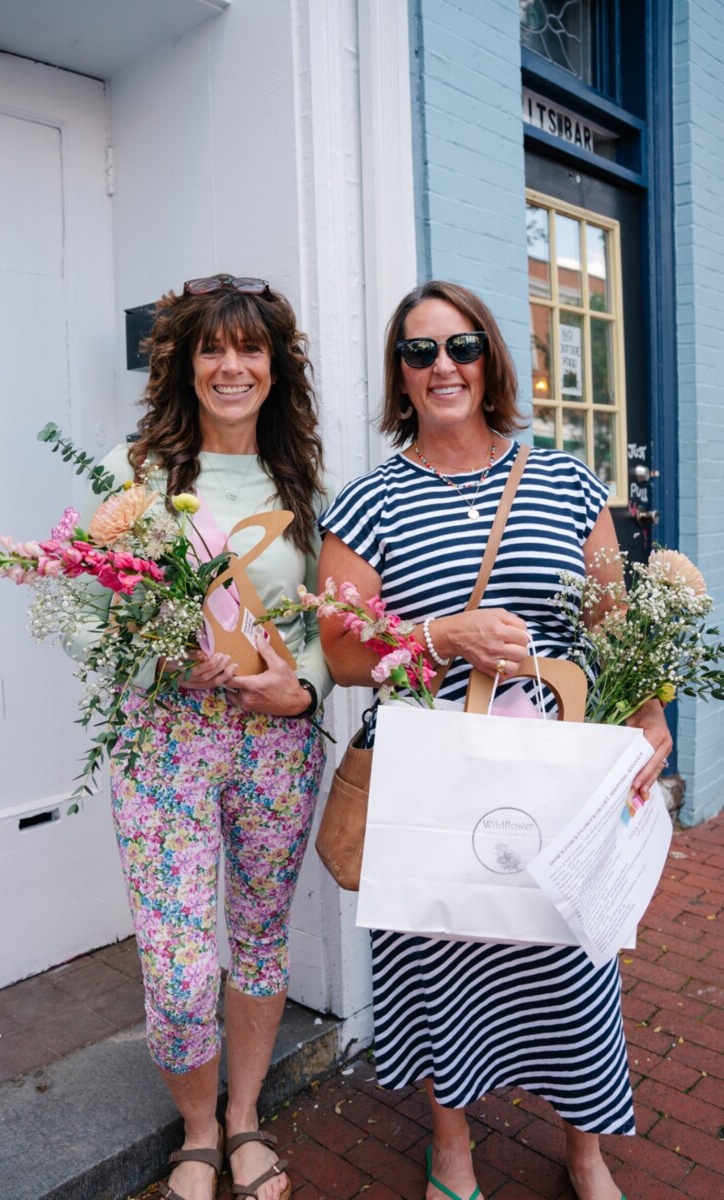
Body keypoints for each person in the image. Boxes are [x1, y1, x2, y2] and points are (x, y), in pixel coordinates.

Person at [317, 280, 671, 1200]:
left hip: (552, 774)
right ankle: (454, 1148)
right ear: (400, 374)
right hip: (433, 775)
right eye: (421, 351)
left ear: (490, 361)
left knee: (572, 953)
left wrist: (649, 717)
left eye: (462, 347)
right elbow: (345, 654)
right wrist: (444, 634)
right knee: (441, 951)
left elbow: (613, 625)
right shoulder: (369, 503)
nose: (444, 367)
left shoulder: (565, 481)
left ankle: (586, 1151)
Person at [66, 274, 331, 1200]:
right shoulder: (127, 475)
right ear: (181, 363)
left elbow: (329, 628)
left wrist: (302, 692)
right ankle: (197, 1128)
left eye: (250, 348)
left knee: (258, 940)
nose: (231, 366)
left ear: (273, 366)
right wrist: (161, 665)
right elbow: (89, 615)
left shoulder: (304, 480)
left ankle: (246, 1117)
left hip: (276, 748)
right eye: (211, 348)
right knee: (179, 964)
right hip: (165, 742)